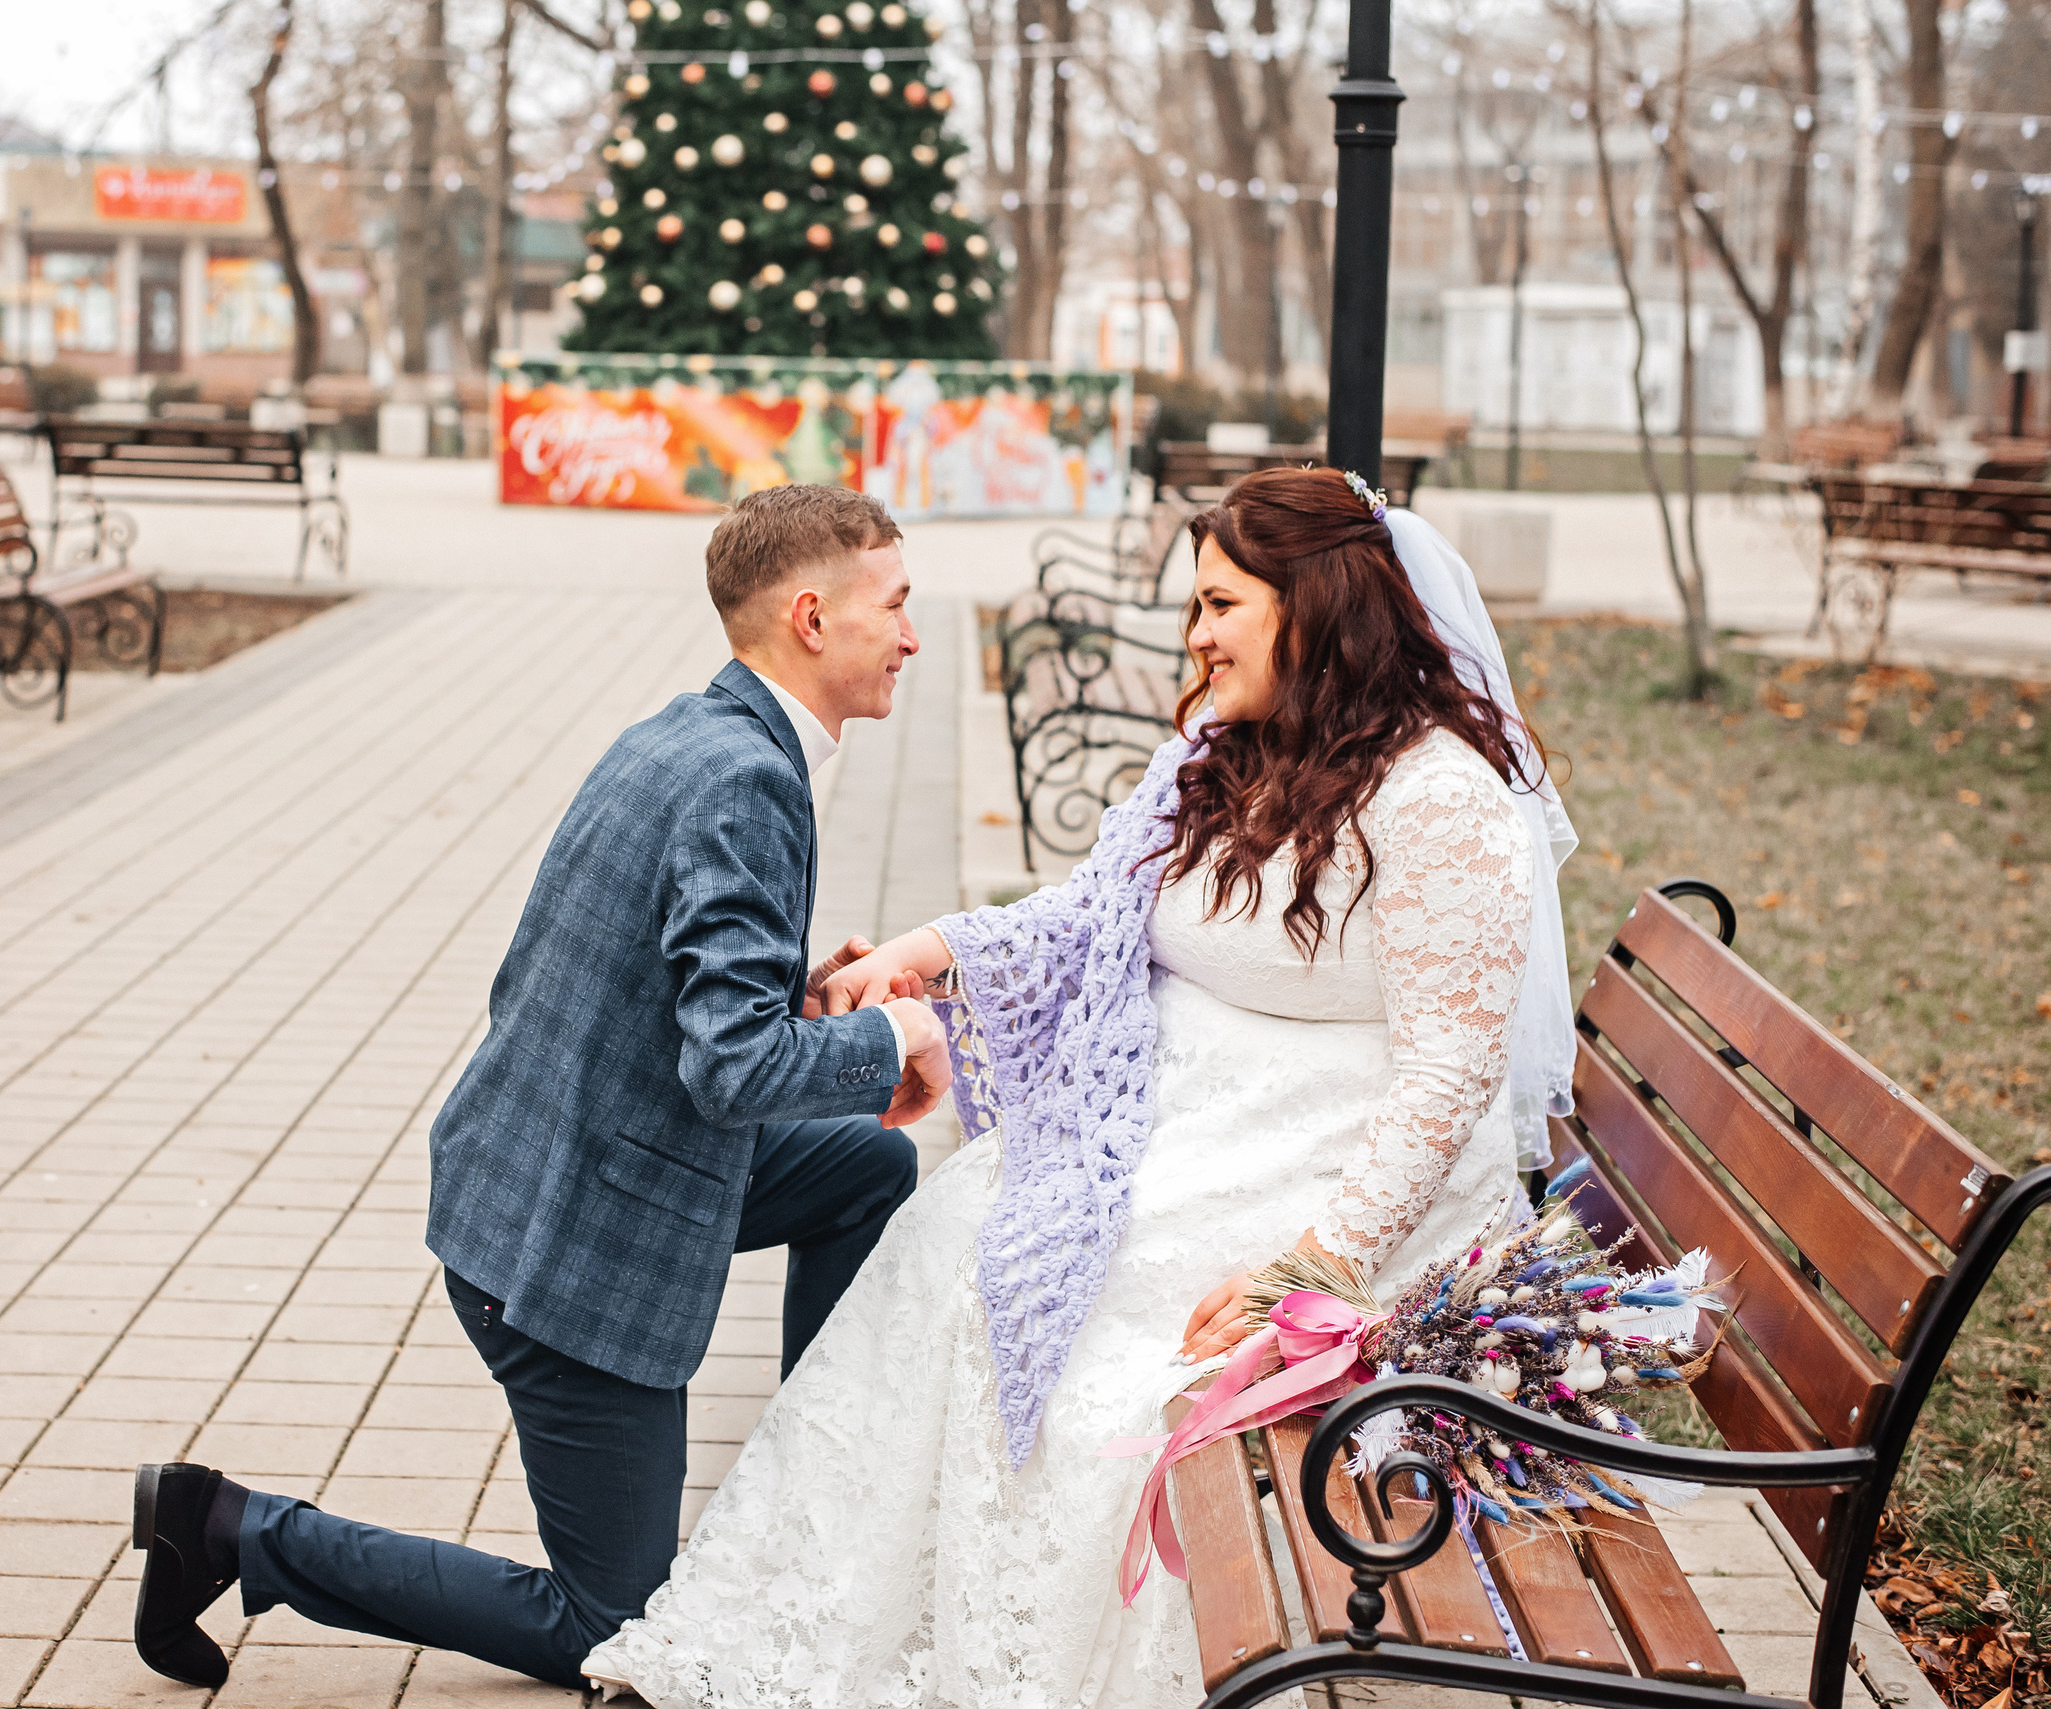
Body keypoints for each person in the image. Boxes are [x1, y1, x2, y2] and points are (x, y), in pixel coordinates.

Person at [580, 465, 1579, 1709]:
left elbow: (1447, 1076)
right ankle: (826, 1628)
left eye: (1221, 603)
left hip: (1336, 1174)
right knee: (948, 1237)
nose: (1197, 636)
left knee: (1102, 1369)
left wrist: (1310, 1263)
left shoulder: (1442, 801)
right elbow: (1089, 914)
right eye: (1195, 608)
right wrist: (926, 952)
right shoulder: (1224, 756)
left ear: (1317, 604)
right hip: (1177, 1128)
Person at [126, 483, 958, 1690]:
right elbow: (728, 1068)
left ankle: (812, 1475)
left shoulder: (694, 731)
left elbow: (681, 998)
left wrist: (816, 995)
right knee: (608, 1628)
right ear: (815, 616)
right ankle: (223, 1529)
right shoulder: (748, 779)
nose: (915, 634)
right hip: (570, 1250)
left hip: (569, 1163)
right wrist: (897, 1030)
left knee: (866, 1166)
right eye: (898, 605)